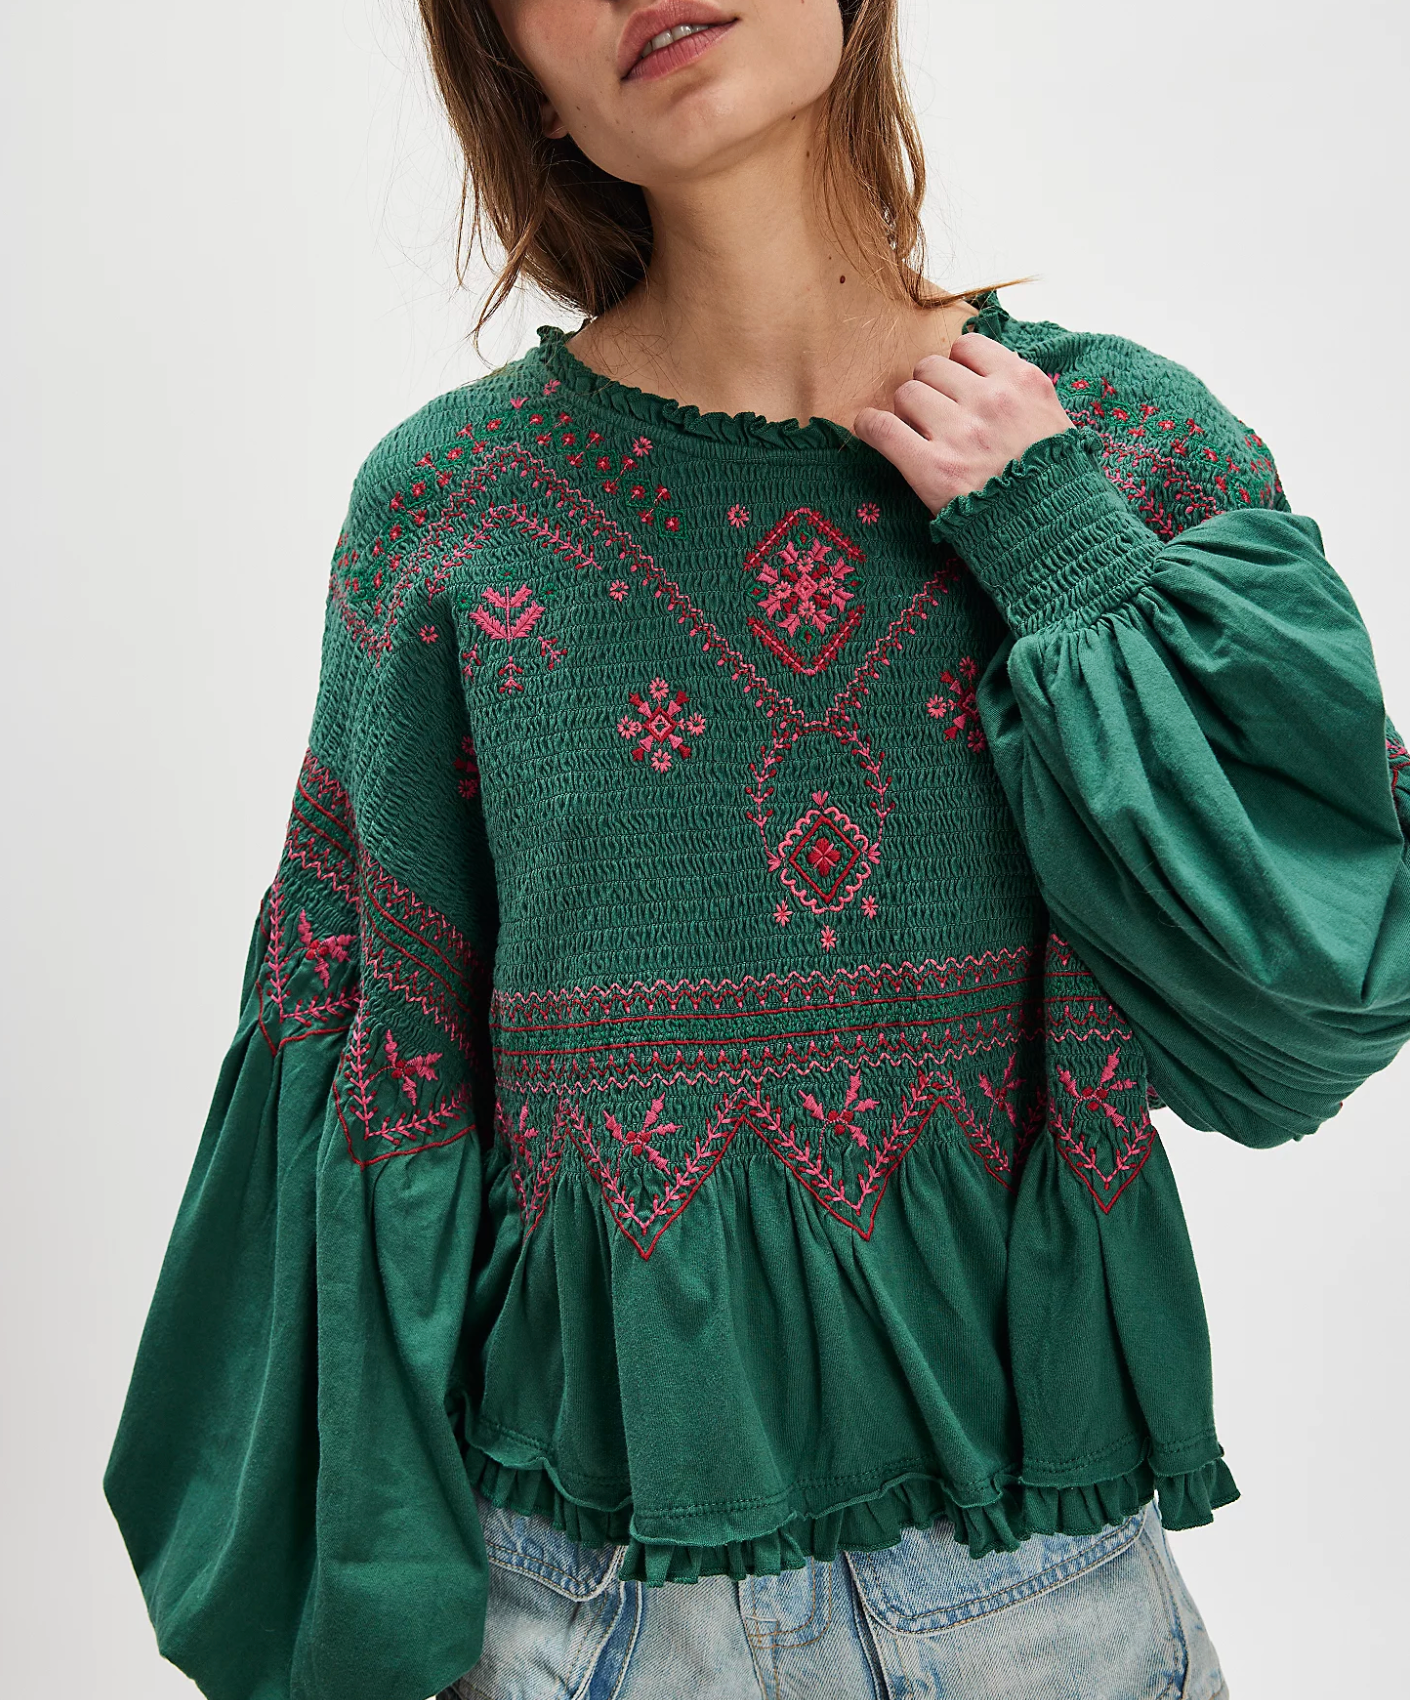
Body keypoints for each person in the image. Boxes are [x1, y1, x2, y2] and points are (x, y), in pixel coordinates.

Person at [104, 2, 1410, 1697]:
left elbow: (1310, 1005)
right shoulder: (449, 509)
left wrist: (1061, 550)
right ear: (528, 90)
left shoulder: (1119, 446)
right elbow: (371, 1079)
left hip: (1040, 1588)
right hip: (586, 1605)